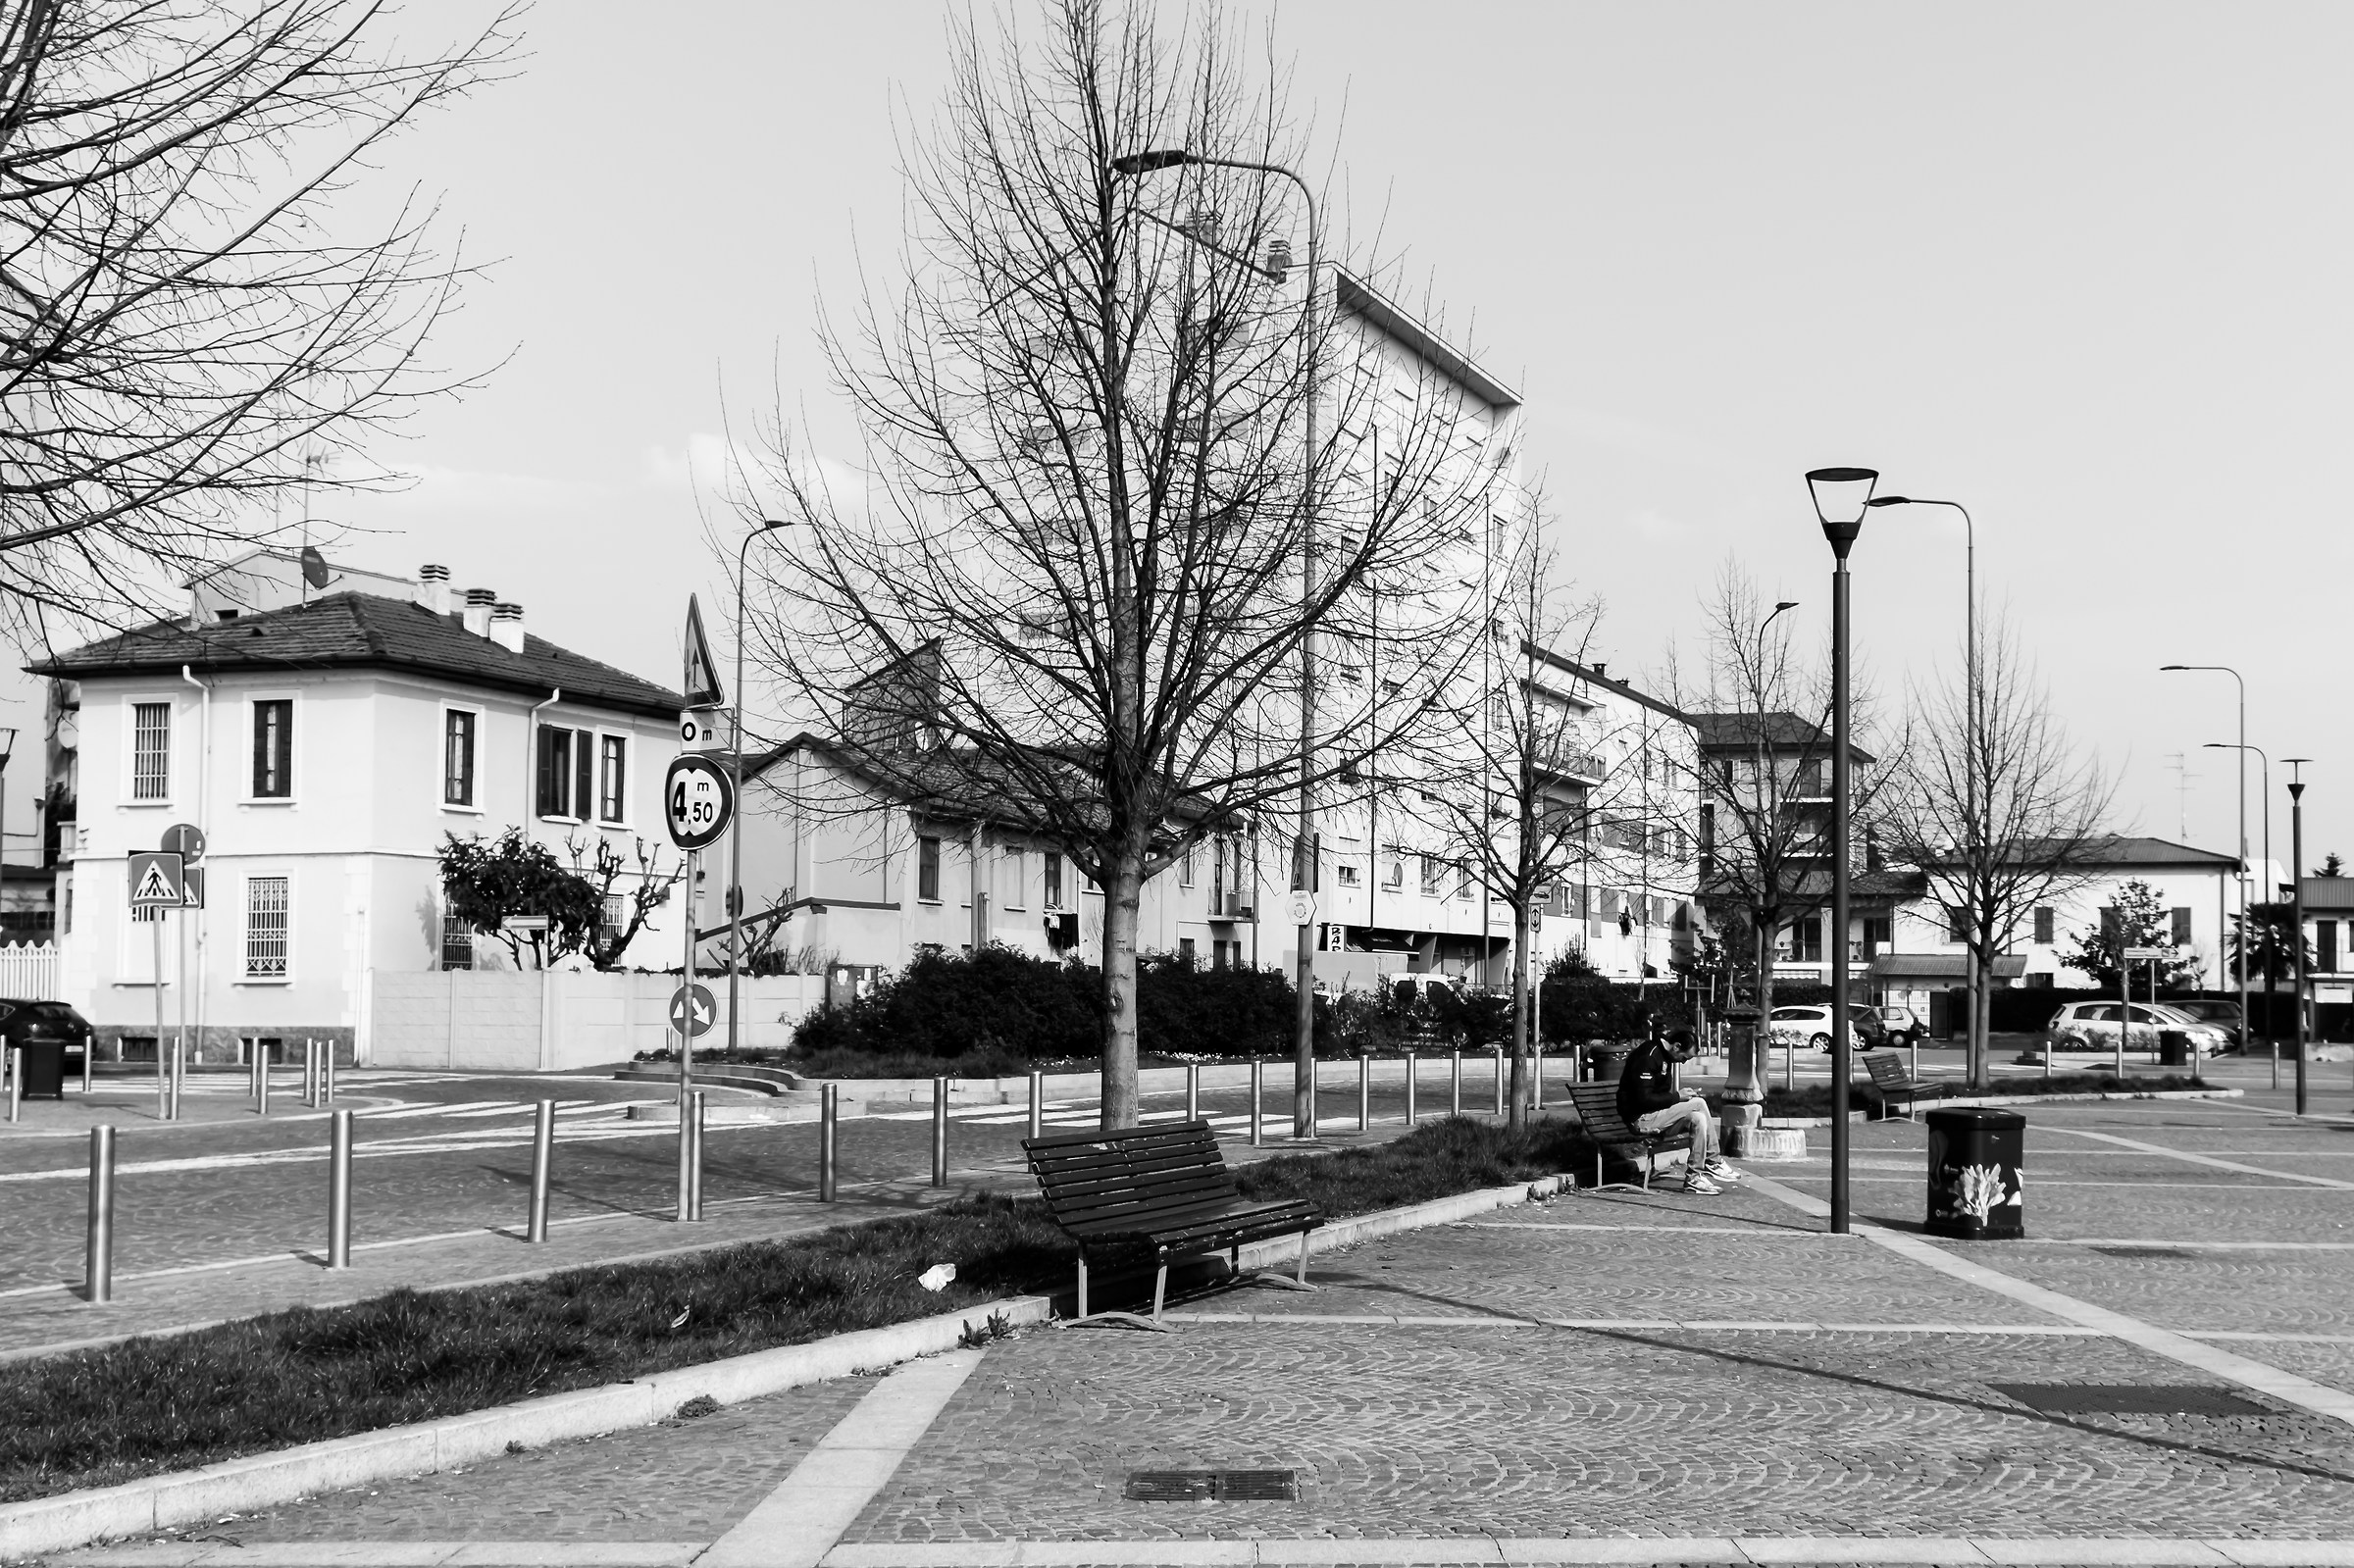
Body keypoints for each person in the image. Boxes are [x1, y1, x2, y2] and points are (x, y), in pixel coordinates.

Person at [1615, 1022, 1744, 1195]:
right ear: (1676, 1047)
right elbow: (1643, 1100)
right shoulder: (1648, 1057)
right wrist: (1677, 1097)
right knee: (1698, 1104)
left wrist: (1679, 1099)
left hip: (1656, 1115)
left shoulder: (1664, 1056)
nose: (1682, 1062)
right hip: (1641, 1118)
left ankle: (1694, 1178)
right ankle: (1713, 1160)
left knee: (1698, 1119)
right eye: (1684, 1058)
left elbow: (1658, 1097)